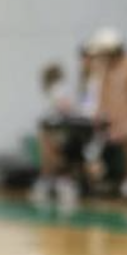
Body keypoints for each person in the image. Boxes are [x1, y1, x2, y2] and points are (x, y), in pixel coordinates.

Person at [83, 26, 127, 200]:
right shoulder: (103, 71)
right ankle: (99, 185)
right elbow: (101, 103)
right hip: (109, 126)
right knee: (88, 149)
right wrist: (99, 121)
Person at [30, 62, 81, 206]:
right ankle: (52, 180)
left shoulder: (58, 88)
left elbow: (65, 107)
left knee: (50, 146)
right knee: (47, 145)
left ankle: (55, 180)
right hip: (60, 128)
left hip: (64, 129)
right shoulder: (60, 89)